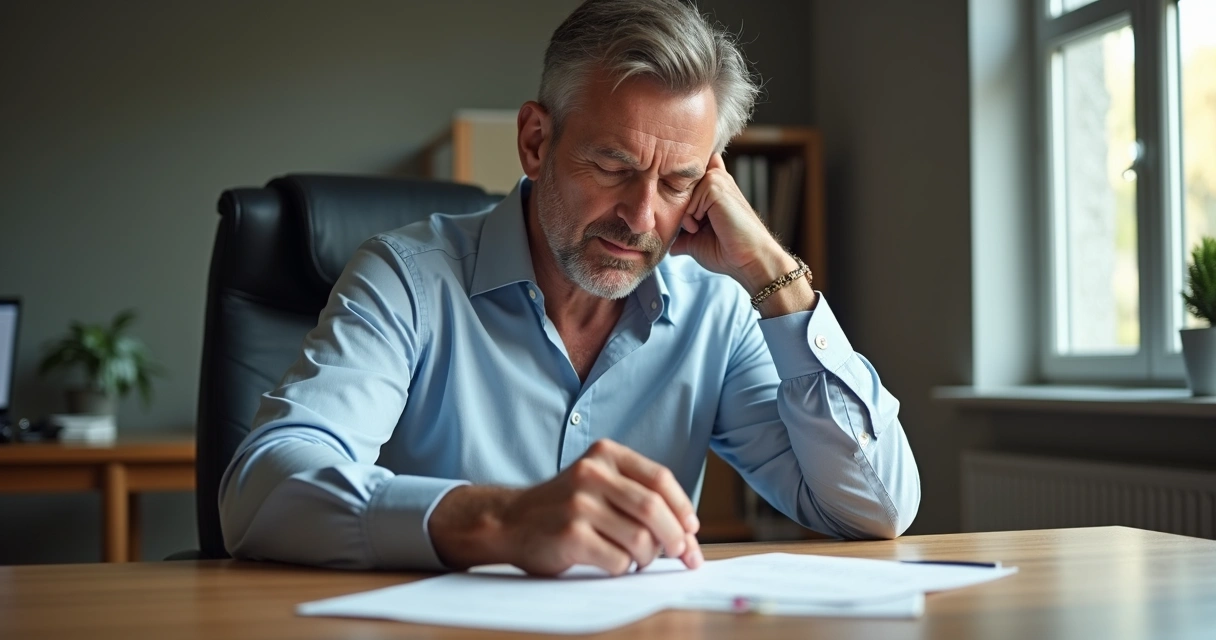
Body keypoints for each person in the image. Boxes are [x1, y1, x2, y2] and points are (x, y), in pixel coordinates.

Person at [219, 0, 920, 576]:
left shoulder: (719, 312)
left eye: (678, 183)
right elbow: (263, 493)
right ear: (533, 141)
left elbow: (876, 507)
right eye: (612, 167)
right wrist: (500, 519)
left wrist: (773, 271)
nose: (641, 218)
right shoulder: (406, 279)